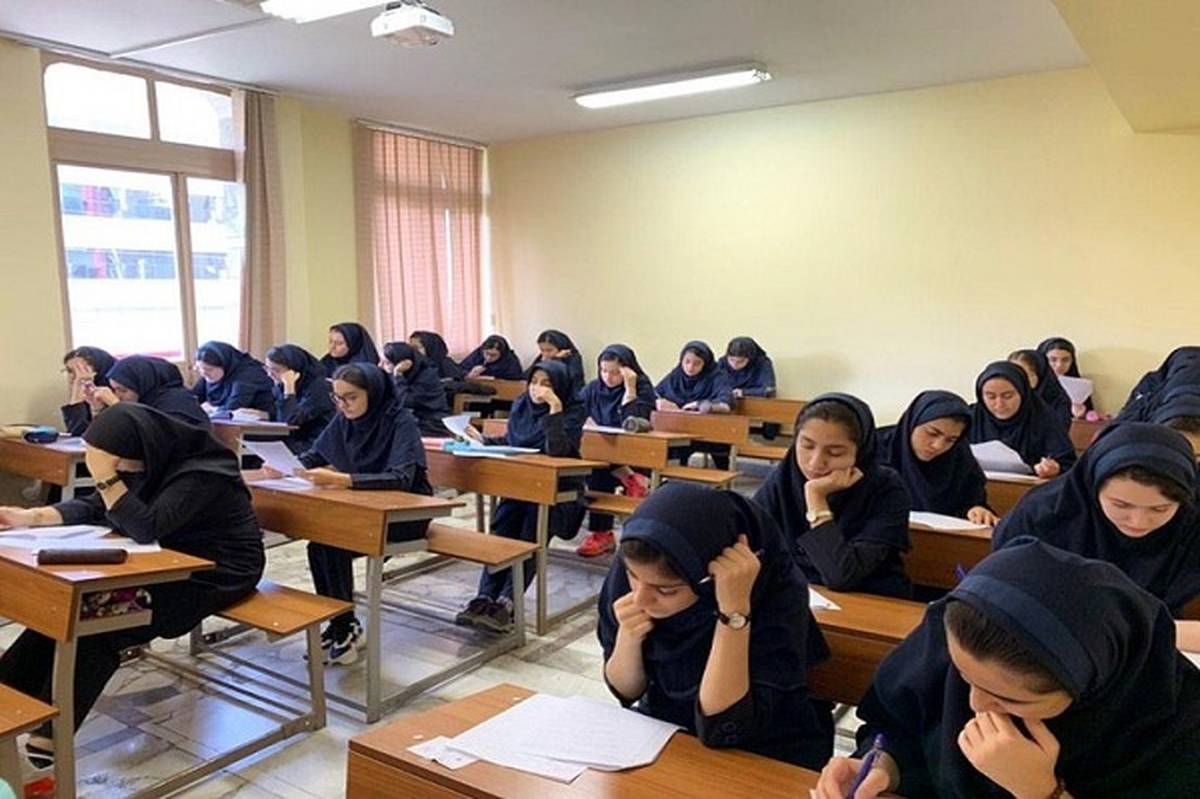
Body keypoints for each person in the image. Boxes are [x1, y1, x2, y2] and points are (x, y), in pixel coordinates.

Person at [816, 538, 1200, 798]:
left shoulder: (1173, 729)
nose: (975, 704)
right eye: (962, 676)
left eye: (1009, 699)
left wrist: (1042, 791)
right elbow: (901, 729)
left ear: (1087, 687)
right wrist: (884, 765)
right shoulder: (953, 643)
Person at [0, 405, 264, 767]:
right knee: (60, 611)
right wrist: (31, 517)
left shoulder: (204, 472)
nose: (119, 471)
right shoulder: (149, 461)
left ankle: (52, 733)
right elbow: (96, 505)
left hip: (217, 573)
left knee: (101, 623)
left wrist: (106, 476)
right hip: (166, 562)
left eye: (118, 463)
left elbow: (146, 527)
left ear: (143, 446)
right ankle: (9, 693)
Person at [598, 482, 834, 768]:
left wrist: (733, 613)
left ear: (710, 579)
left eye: (667, 590)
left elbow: (723, 724)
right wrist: (629, 637)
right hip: (666, 739)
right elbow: (626, 691)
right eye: (632, 576)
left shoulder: (775, 595)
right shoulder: (639, 563)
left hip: (766, 753)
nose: (641, 598)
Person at [272, 364, 433, 664]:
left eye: (351, 397)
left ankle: (344, 626)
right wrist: (284, 466)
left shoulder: (400, 421)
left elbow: (401, 478)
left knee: (332, 547)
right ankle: (341, 624)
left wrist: (344, 479)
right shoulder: (345, 419)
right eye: (337, 398)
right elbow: (315, 455)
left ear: (373, 393)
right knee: (319, 547)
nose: (343, 405)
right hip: (364, 508)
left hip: (406, 515)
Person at [993, 422, 1200, 650]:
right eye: (1121, 505)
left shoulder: (1190, 526)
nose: (1138, 522)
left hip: (1150, 649)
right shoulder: (1042, 516)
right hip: (1041, 643)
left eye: (1160, 509)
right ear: (1092, 485)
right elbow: (1002, 600)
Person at [455, 361, 586, 632]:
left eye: (547, 384)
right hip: (519, 484)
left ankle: (507, 604)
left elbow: (558, 451)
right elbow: (514, 443)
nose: (538, 389)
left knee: (529, 537)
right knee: (501, 532)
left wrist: (555, 408)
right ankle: (484, 597)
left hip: (556, 491)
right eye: (534, 382)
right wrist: (482, 440)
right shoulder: (521, 405)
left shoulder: (572, 411)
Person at [753, 393, 912, 598]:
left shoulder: (887, 489)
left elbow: (841, 575)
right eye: (807, 446)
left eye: (835, 452)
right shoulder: (783, 479)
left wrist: (816, 499)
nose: (815, 463)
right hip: (796, 595)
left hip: (870, 600)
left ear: (860, 452)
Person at [575, 344, 657, 557]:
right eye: (603, 371)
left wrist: (630, 389)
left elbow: (634, 425)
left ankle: (601, 534)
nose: (608, 377)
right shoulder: (594, 388)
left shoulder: (643, 388)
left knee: (598, 465)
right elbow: (574, 409)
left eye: (614, 372)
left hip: (636, 454)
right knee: (596, 466)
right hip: (603, 454)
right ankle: (629, 479)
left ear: (628, 370)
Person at [877, 390, 995, 525]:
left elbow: (971, 502)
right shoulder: (876, 451)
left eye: (951, 440)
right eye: (932, 433)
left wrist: (976, 510)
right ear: (913, 422)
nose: (938, 446)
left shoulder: (960, 459)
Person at [969, 361, 1076, 478]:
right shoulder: (972, 417)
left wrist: (1054, 468)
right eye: (991, 397)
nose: (999, 404)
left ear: (1022, 393)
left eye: (1007, 396)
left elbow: (1068, 465)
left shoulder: (1044, 419)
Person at [263, 344, 336, 454]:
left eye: (276, 370)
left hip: (316, 444)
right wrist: (264, 415)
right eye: (267, 368)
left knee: (268, 449)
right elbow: (282, 417)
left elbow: (288, 423)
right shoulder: (281, 386)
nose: (269, 374)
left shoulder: (319, 388)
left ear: (294, 371)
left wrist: (289, 388)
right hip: (296, 440)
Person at [104, 355, 211, 427]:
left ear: (143, 385)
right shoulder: (146, 401)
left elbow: (157, 439)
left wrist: (118, 407)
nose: (117, 395)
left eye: (122, 390)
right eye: (114, 389)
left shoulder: (176, 404)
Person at [380, 341, 452, 437]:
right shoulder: (391, 377)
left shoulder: (427, 376)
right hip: (409, 421)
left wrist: (398, 375)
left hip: (431, 423)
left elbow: (406, 401)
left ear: (403, 364)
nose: (380, 366)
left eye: (387, 363)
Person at [190, 341, 274, 416]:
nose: (203, 373)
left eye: (209, 369)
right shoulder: (209, 376)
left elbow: (233, 407)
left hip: (265, 424)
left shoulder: (248, 374)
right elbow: (191, 399)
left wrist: (213, 409)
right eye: (199, 368)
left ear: (224, 365)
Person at [59, 346, 116, 435]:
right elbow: (76, 435)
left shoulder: (119, 393)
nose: (75, 377)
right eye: (70, 371)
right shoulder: (85, 396)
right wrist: (76, 399)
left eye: (82, 370)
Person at [1038, 336, 1092, 417]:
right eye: (1053, 360)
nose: (1059, 365)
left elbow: (1088, 415)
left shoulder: (1079, 387)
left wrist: (1083, 414)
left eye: (1065, 360)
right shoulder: (1033, 385)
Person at [459, 334, 524, 380]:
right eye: (486, 353)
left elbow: (515, 378)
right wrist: (469, 373)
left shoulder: (510, 360)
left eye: (493, 355)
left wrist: (492, 376)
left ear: (502, 353)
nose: (488, 358)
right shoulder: (477, 354)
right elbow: (459, 370)